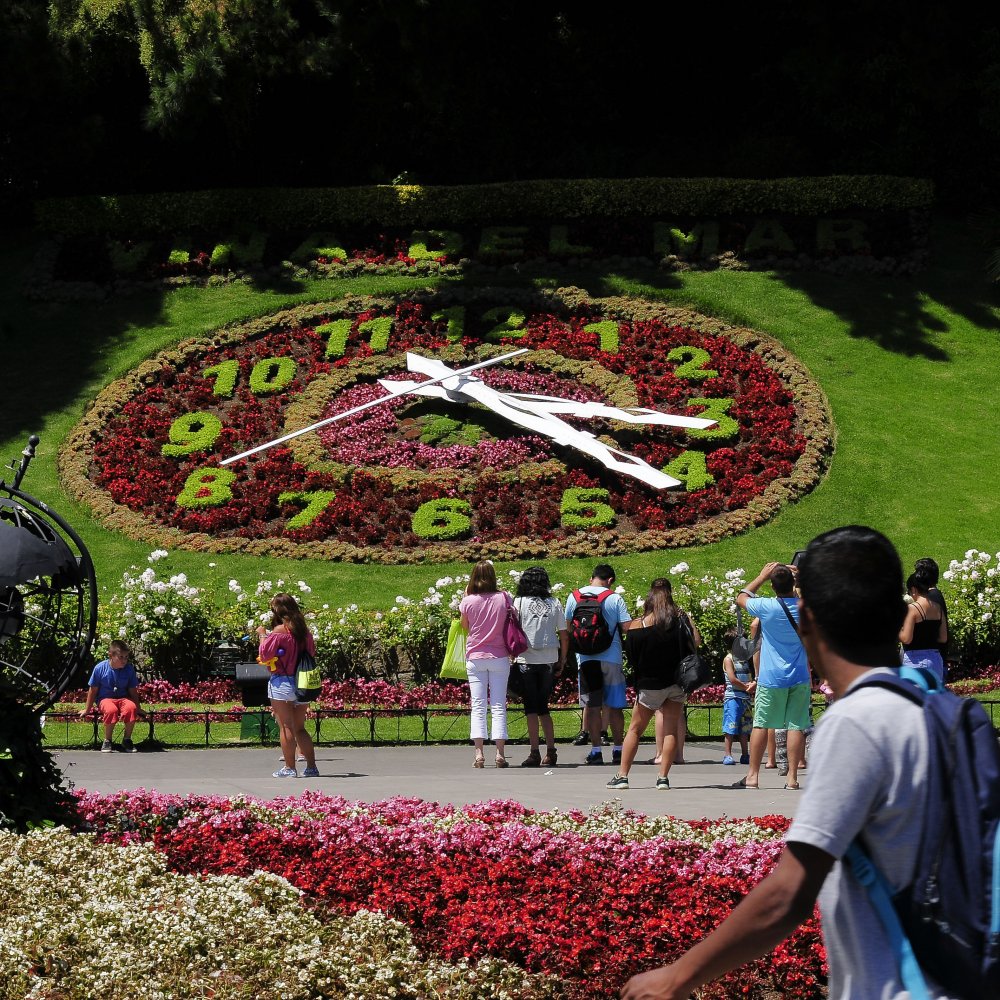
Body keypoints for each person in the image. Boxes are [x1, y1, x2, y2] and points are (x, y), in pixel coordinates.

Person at [621, 525, 955, 1000]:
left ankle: (755, 773)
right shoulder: (949, 710)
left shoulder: (858, 721)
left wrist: (678, 975)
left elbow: (790, 891)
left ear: (810, 620)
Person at [607, 578, 700, 790]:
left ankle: (622, 776)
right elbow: (695, 642)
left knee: (635, 730)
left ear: (649, 598)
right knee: (670, 730)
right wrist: (687, 618)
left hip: (650, 684)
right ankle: (663, 778)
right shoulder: (679, 620)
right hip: (676, 683)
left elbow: (632, 657)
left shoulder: (637, 626)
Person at [734, 562, 810, 790]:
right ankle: (792, 778)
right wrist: (801, 579)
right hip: (799, 674)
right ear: (793, 584)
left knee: (761, 724)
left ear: (773, 586)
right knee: (796, 726)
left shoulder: (766, 606)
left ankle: (753, 776)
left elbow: (741, 597)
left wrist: (761, 576)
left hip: (771, 675)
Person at [564, 563, 632, 765]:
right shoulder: (614, 598)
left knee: (592, 706)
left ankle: (595, 751)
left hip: (585, 660)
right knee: (615, 705)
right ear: (610, 580)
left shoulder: (574, 596)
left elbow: (568, 628)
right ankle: (618, 749)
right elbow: (627, 628)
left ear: (591, 578)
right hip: (611, 658)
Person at [257, 592, 319, 778]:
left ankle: (290, 768)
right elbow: (312, 653)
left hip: (282, 682)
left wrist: (262, 636)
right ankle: (311, 767)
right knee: (300, 727)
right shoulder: (304, 632)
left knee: (286, 727)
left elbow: (265, 655)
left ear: (277, 610)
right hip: (303, 683)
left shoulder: (279, 632)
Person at [512, 566, 568, 767]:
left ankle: (534, 751)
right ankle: (551, 750)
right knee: (544, 707)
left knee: (531, 708)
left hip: (526, 657)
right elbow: (563, 633)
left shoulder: (518, 602)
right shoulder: (554, 602)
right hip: (548, 657)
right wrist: (562, 658)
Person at [460, 560, 513, 768]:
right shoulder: (504, 597)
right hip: (499, 655)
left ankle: (479, 754)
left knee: (478, 705)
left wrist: (466, 599)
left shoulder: (468, 601)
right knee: (499, 705)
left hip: (475, 656)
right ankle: (500, 754)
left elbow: (465, 626)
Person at [79, 640, 144, 753]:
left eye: (126, 657)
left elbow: (132, 690)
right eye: (121, 657)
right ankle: (107, 740)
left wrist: (138, 707)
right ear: (111, 655)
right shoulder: (100, 668)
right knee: (111, 710)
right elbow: (93, 690)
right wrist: (87, 709)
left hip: (123, 698)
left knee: (131, 708)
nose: (124, 660)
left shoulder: (129, 669)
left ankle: (127, 739)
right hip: (105, 699)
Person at [900, 569, 948, 684]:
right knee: (933, 699)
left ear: (913, 589)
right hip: (935, 659)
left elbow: (906, 638)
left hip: (915, 660)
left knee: (915, 699)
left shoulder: (912, 609)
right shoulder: (937, 608)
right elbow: (943, 638)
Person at [721, 618, 757, 765]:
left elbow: (749, 674)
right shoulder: (728, 659)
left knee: (745, 728)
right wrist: (746, 686)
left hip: (745, 698)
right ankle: (727, 754)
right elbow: (732, 678)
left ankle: (744, 753)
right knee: (731, 726)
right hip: (733, 697)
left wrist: (752, 683)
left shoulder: (743, 659)